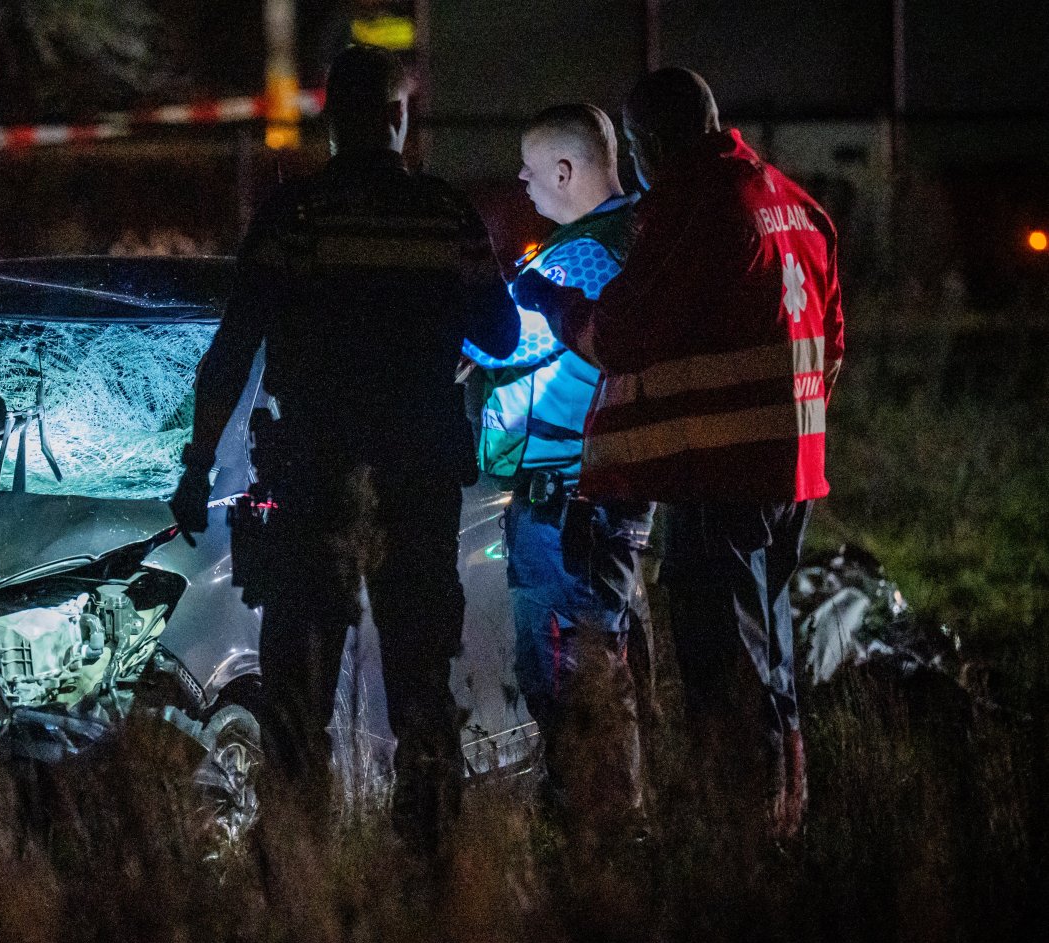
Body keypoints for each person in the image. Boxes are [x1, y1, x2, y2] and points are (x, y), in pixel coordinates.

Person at [168, 44, 518, 850]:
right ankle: (430, 862)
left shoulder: (294, 218)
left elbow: (232, 349)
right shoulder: (444, 214)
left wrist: (196, 466)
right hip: (419, 477)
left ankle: (298, 859)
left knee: (300, 686)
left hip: (312, 471)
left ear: (329, 122)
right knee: (423, 682)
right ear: (401, 119)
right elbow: (498, 331)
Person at [514, 67, 845, 840]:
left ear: (652, 142)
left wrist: (554, 306)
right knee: (772, 659)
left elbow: (621, 336)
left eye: (635, 148)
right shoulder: (796, 204)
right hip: (787, 473)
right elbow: (831, 349)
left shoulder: (694, 208)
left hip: (716, 472)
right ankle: (784, 819)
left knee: (724, 666)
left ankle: (738, 839)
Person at [464, 103, 653, 829]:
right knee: (596, 660)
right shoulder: (632, 237)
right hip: (599, 495)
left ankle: (597, 831)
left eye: (531, 167)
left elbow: (496, 341)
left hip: (567, 505)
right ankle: (607, 824)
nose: (520, 178)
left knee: (572, 672)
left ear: (567, 172)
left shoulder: (581, 256)